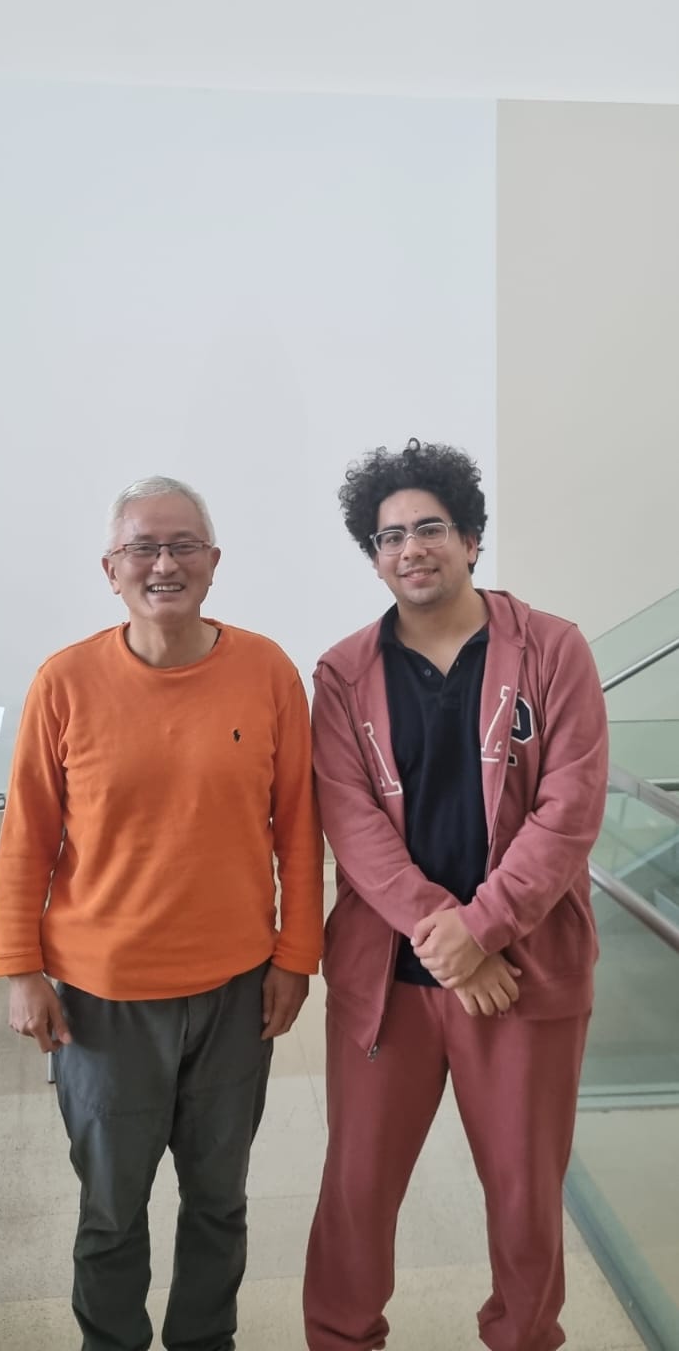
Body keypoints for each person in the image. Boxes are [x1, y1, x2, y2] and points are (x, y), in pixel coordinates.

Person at [0, 474, 324, 1351]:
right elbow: (25, 840)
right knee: (111, 1209)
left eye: (182, 546)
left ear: (213, 563)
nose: (163, 564)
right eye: (143, 547)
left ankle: (204, 1342)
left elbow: (299, 829)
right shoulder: (65, 682)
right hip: (102, 1000)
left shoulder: (266, 671)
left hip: (234, 991)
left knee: (219, 1201)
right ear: (110, 569)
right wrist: (21, 970)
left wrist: (297, 958)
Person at [303, 439, 609, 1351]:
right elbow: (350, 822)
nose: (411, 548)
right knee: (356, 1190)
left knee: (523, 1196)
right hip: (388, 981)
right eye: (389, 536)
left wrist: (483, 930)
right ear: (372, 557)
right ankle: (341, 1338)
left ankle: (522, 1337)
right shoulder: (342, 674)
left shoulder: (551, 648)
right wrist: (450, 938)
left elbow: (569, 810)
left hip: (522, 975)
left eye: (429, 528)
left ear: (471, 539)